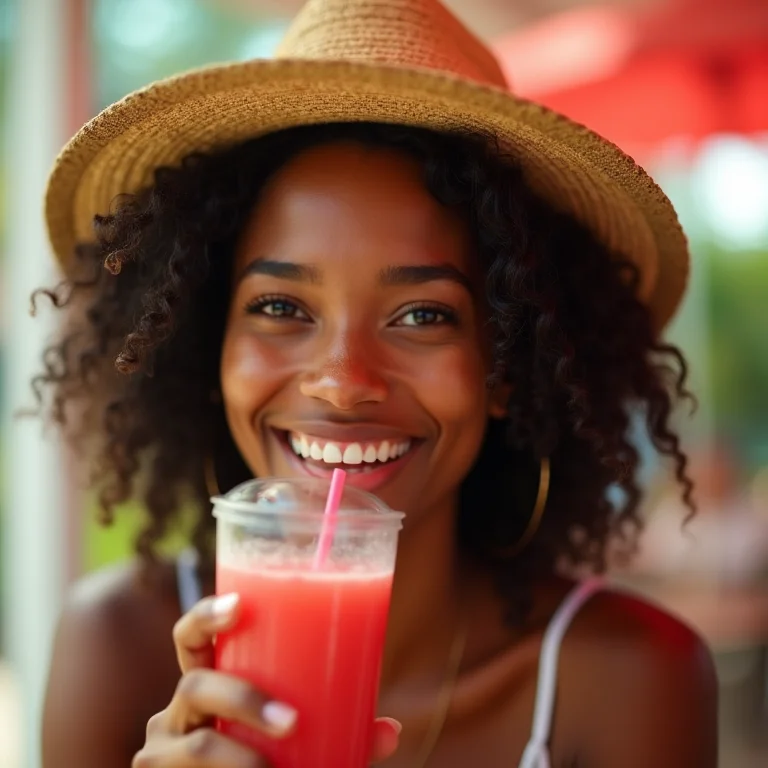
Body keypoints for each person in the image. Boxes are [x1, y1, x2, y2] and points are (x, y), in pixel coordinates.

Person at [38, 0, 717, 766]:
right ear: (207, 344)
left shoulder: (633, 676)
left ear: (509, 365)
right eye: (280, 306)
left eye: (423, 315)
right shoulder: (118, 643)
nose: (342, 382)